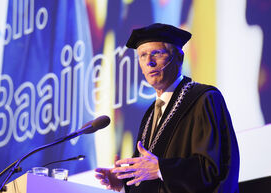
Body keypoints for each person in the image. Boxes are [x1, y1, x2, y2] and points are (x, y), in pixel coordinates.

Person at [95, 23, 240, 193]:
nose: (149, 62)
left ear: (179, 58)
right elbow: (151, 178)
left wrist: (161, 168)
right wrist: (124, 184)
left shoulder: (203, 99)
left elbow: (212, 169)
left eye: (157, 53)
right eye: (142, 55)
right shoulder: (150, 114)